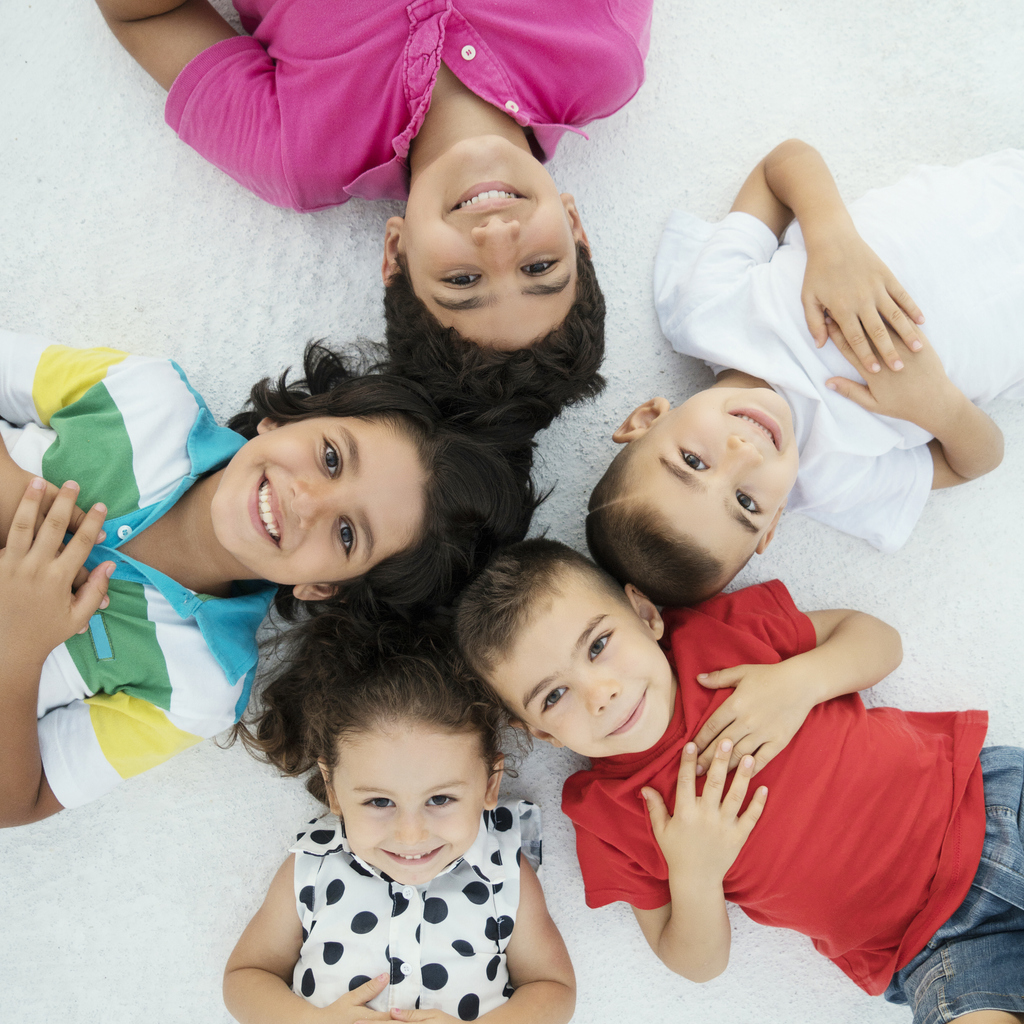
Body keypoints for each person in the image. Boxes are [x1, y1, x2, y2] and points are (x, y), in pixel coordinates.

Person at [455, 539, 1024, 1022]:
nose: (598, 693)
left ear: (647, 614)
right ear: (541, 734)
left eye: (600, 645)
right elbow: (694, 963)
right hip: (932, 944)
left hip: (990, 808)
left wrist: (803, 680)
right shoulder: (606, 817)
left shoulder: (722, 637)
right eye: (554, 697)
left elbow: (877, 639)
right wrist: (695, 873)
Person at [0, 329, 535, 825]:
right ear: (287, 420)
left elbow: (19, 801)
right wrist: (17, 497)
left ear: (324, 588)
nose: (307, 501)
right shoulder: (144, 399)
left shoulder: (199, 684)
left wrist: (18, 648)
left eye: (347, 534)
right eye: (330, 457)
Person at [93, 0, 653, 424]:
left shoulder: (296, 153)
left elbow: (142, 14)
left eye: (462, 279)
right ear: (575, 229)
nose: (499, 237)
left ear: (396, 253)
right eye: (540, 268)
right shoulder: (605, 59)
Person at [586, 140, 1021, 606]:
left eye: (694, 461)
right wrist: (937, 405)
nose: (742, 454)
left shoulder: (707, 313)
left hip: (997, 196)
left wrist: (833, 242)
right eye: (746, 503)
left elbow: (783, 164)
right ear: (773, 524)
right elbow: (978, 460)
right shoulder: (833, 478)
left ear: (646, 419)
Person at [224, 620, 575, 1024]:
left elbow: (552, 988)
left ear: (489, 786)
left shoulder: (502, 868)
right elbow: (246, 976)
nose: (411, 834)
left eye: (440, 799)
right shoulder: (314, 863)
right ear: (333, 790)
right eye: (378, 801)